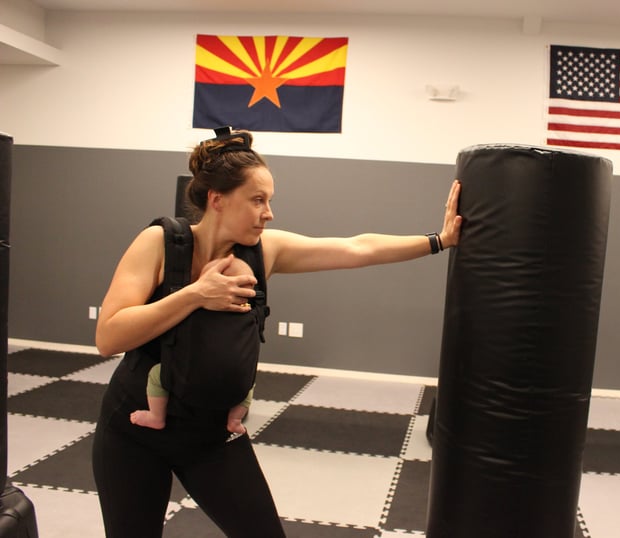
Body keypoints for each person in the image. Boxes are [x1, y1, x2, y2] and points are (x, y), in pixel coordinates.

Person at [91, 127, 462, 538]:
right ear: (217, 199)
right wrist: (195, 295)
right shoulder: (159, 243)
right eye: (257, 200)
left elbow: (358, 248)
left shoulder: (265, 251)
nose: (269, 213)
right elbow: (109, 336)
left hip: (211, 434)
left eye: (269, 201)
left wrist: (439, 240)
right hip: (134, 430)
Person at [130, 256, 257, 435]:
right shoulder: (248, 317)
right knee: (250, 381)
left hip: (190, 384)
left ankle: (156, 417)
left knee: (155, 375)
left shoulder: (193, 313)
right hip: (234, 388)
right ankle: (235, 420)